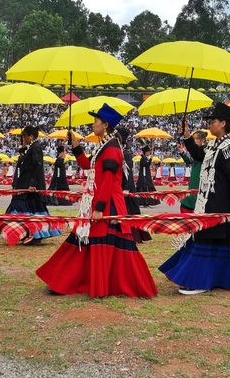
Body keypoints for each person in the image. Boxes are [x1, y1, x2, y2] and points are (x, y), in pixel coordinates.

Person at [36, 103, 157, 298]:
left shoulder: (111, 149)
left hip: (107, 205)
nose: (93, 125)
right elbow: (86, 165)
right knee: (83, 240)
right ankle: (65, 280)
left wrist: (99, 208)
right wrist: (76, 145)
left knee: (105, 245)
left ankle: (110, 284)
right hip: (99, 202)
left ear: (105, 125)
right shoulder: (103, 147)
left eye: (95, 122)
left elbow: (108, 181)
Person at [160, 102, 230, 294]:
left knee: (211, 239)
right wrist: (186, 136)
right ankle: (217, 277)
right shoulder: (212, 145)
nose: (210, 125)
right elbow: (197, 154)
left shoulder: (229, 147)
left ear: (223, 123)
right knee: (213, 239)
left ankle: (201, 280)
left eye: (213, 121)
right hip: (208, 201)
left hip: (222, 203)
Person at [6, 126, 61, 244]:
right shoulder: (33, 148)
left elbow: (37, 166)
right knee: (32, 208)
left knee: (22, 207)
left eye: (24, 137)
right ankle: (31, 233)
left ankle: (32, 233)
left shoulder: (35, 148)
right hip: (27, 184)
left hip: (30, 186)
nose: (23, 139)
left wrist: (33, 184)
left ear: (30, 136)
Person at [117, 127, 151, 243]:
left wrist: (126, 188)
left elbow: (128, 171)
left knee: (130, 209)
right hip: (122, 185)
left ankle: (133, 234)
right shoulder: (121, 152)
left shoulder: (126, 154)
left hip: (127, 186)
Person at [178, 130, 207, 213]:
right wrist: (181, 151)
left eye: (197, 139)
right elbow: (189, 161)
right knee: (185, 207)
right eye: (193, 139)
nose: (195, 141)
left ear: (203, 140)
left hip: (201, 187)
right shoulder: (195, 154)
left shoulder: (206, 153)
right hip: (192, 187)